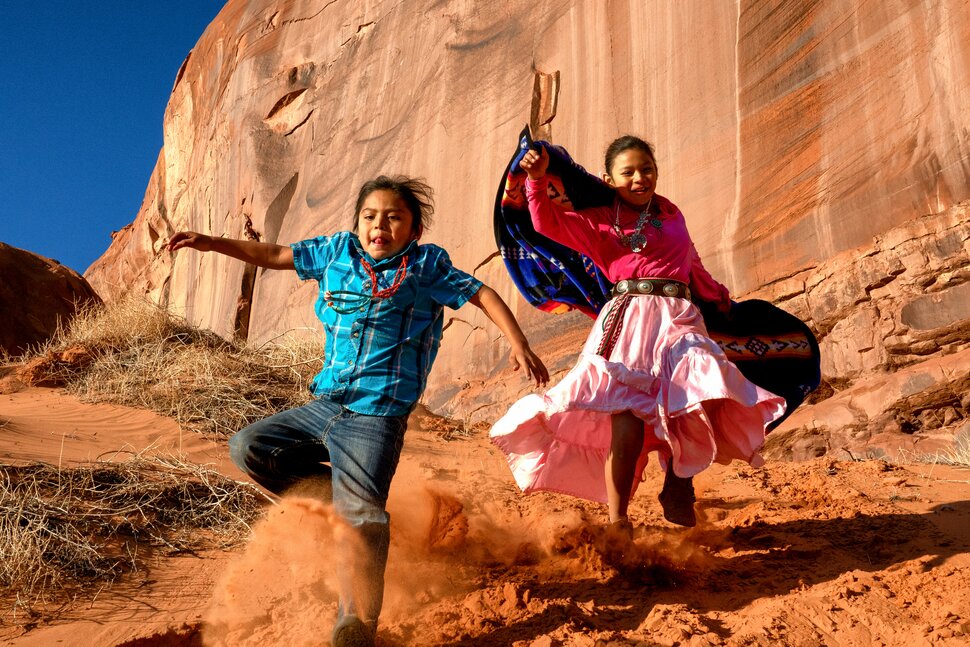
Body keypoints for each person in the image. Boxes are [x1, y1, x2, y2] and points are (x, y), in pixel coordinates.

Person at [166, 175, 548, 647]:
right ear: (358, 224)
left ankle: (356, 624)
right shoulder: (336, 252)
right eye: (370, 216)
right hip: (326, 404)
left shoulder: (425, 266)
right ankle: (331, 498)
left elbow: (482, 294)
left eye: (393, 217)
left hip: (375, 417)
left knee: (363, 517)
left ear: (414, 230)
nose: (379, 226)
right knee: (248, 446)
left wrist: (519, 342)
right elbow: (276, 254)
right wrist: (211, 243)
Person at [490, 136, 786, 531]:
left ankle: (678, 480)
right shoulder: (597, 221)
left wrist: (720, 298)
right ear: (609, 179)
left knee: (699, 385)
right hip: (629, 319)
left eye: (646, 169)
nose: (639, 178)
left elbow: (691, 261)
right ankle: (619, 521)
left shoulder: (671, 213)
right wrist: (537, 180)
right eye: (627, 172)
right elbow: (546, 224)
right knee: (627, 419)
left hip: (680, 316)